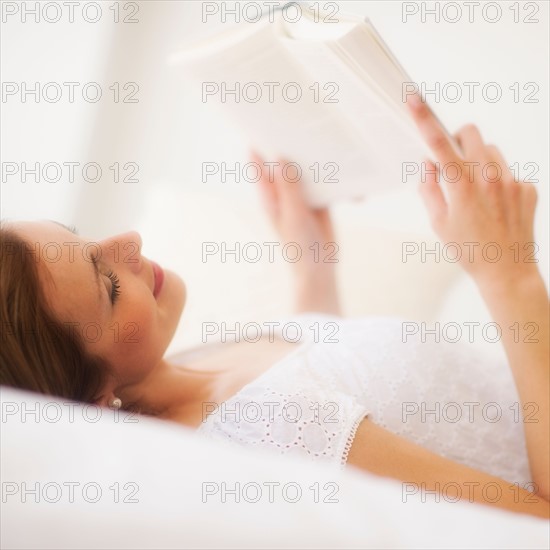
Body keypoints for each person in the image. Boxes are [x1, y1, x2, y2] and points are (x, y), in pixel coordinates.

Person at [1, 96, 548, 518]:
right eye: (110, 287)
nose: (130, 242)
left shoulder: (178, 373)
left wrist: (313, 267)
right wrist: (510, 273)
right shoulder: (259, 429)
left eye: (83, 240)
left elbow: (341, 395)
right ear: (94, 403)